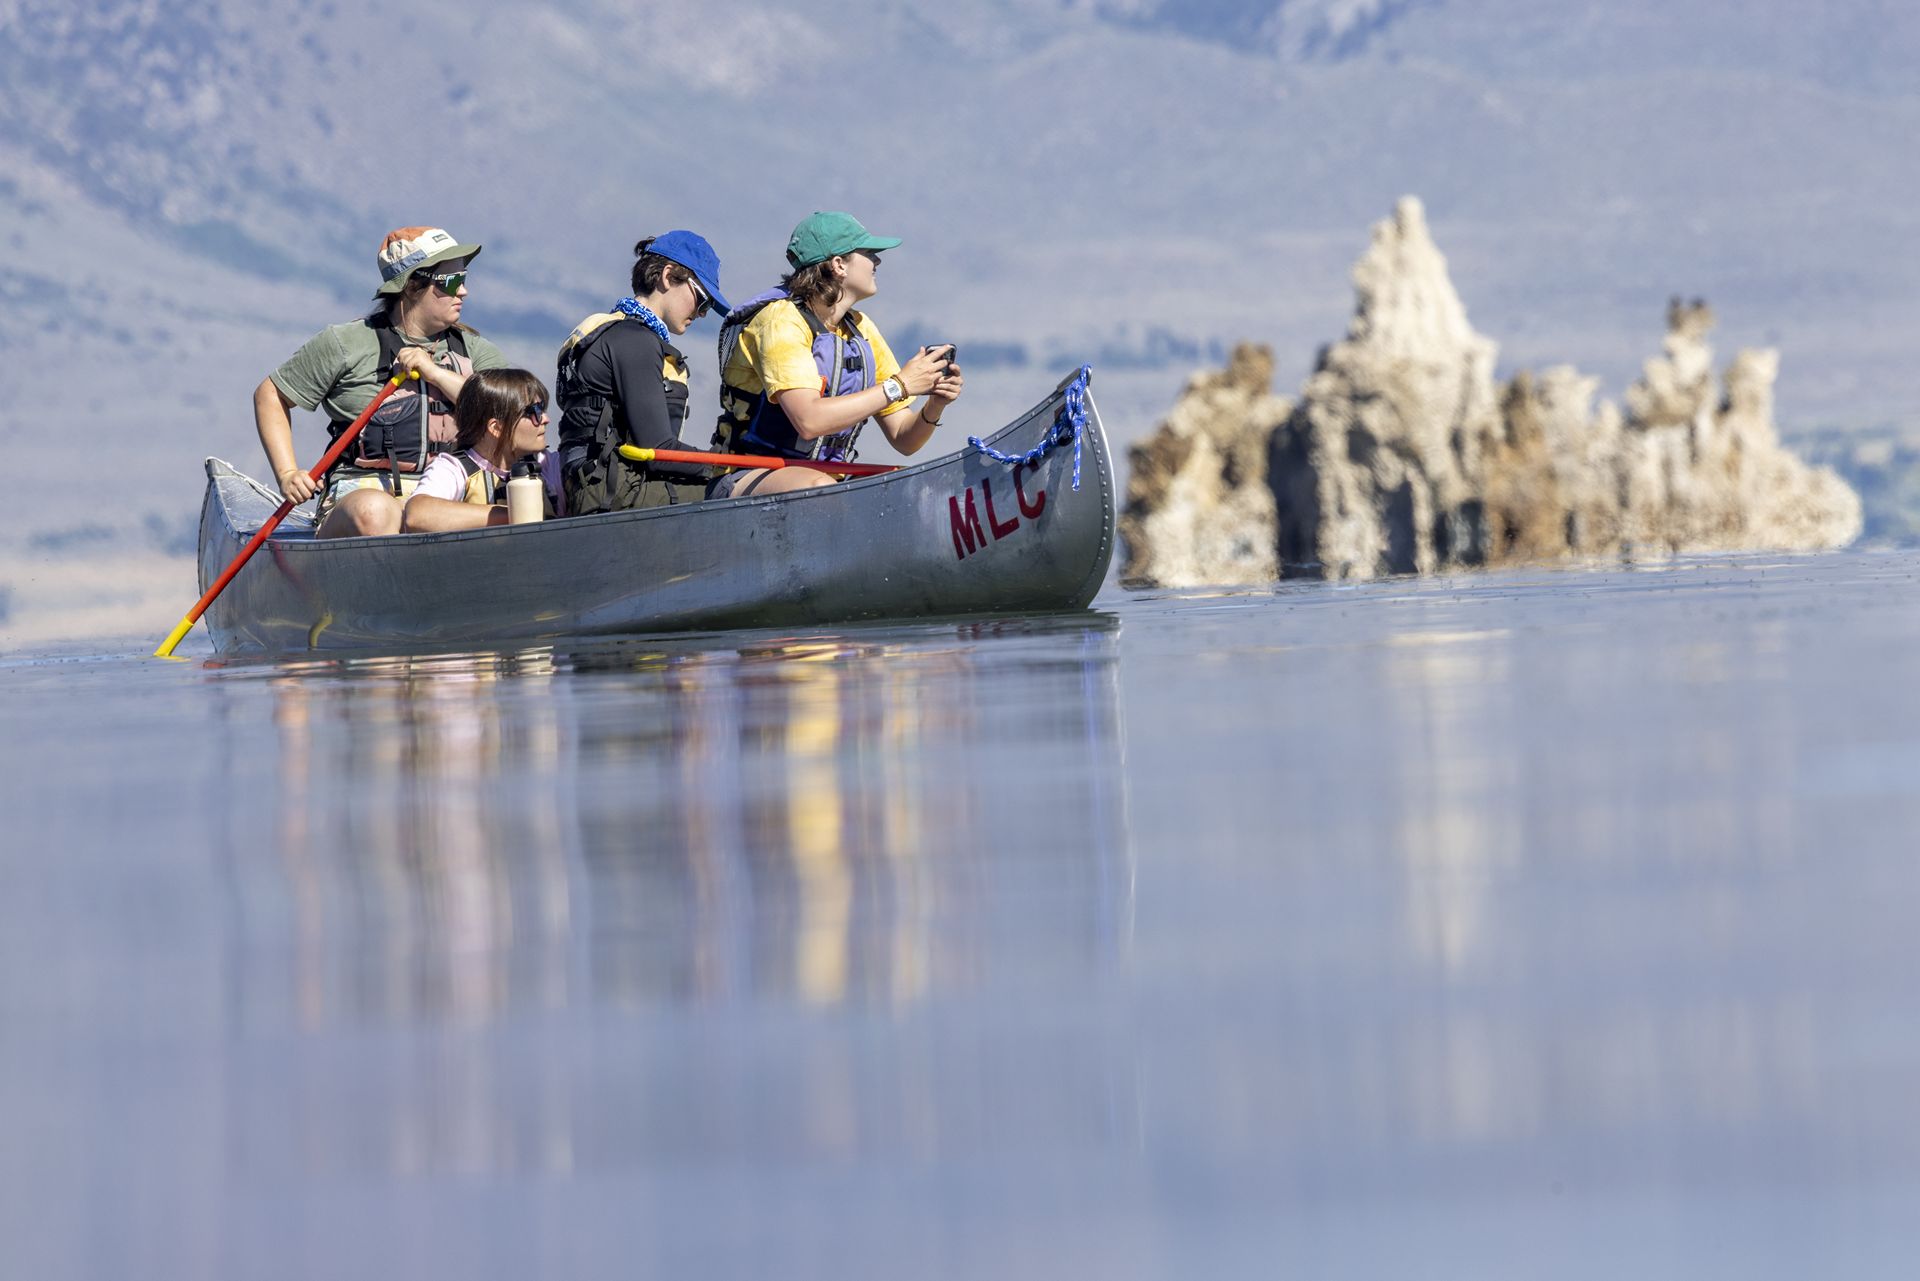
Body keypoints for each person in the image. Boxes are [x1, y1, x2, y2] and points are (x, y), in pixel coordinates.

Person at [253, 226, 507, 537]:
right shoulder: (345, 343)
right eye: (452, 281)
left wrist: (435, 373)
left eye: (464, 278)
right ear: (413, 286)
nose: (463, 291)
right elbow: (270, 395)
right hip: (364, 498)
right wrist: (288, 473)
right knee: (377, 511)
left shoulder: (475, 351)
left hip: (449, 497)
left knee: (519, 507)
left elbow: (508, 412)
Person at [710, 211, 963, 498]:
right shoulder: (780, 321)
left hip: (825, 486)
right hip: (746, 477)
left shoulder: (861, 329)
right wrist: (899, 386)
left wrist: (935, 405)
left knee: (888, 494)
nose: (877, 261)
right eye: (869, 253)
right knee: (822, 491)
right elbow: (809, 421)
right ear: (839, 265)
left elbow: (904, 438)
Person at [554, 231, 732, 515]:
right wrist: (731, 462)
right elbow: (657, 449)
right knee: (735, 489)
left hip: (596, 482)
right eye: (702, 300)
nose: (702, 314)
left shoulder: (618, 329)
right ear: (668, 275)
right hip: (609, 490)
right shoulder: (636, 341)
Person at [400, 369, 551, 532]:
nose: (545, 419)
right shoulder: (455, 469)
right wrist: (516, 515)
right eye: (534, 412)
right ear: (496, 428)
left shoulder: (549, 463)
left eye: (542, 408)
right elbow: (417, 515)